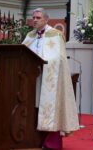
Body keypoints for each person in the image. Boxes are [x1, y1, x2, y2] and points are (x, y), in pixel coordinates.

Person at [22, 8, 79, 150]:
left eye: (38, 17)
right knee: (33, 107)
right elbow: (21, 53)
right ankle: (32, 138)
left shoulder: (56, 34)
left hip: (48, 78)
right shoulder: (30, 35)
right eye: (33, 17)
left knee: (49, 108)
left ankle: (50, 143)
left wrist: (43, 61)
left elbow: (59, 58)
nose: (34, 20)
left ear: (46, 19)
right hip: (32, 79)